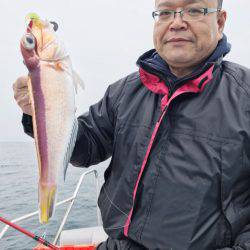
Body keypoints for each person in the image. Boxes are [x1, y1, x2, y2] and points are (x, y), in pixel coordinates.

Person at [13, 0, 250, 249]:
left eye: (194, 10)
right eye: (165, 12)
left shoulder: (244, 96)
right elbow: (86, 147)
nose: (177, 23)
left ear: (220, 21)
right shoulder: (123, 92)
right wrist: (37, 111)